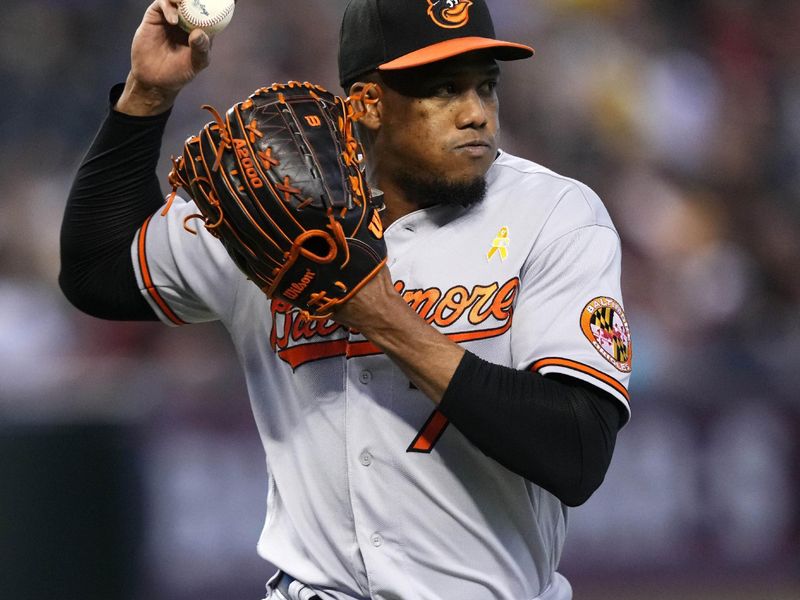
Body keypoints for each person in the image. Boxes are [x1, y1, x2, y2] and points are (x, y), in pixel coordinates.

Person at [60, 1, 633, 599]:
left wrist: (379, 313)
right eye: (443, 90)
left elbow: (577, 452)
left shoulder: (553, 215)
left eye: (486, 86)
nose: (476, 115)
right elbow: (98, 273)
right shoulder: (275, 212)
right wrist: (145, 99)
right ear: (366, 103)